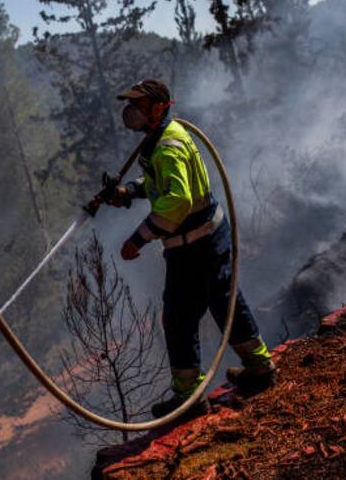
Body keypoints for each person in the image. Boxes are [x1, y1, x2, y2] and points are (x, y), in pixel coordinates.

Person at [109, 80, 275, 418]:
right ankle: (260, 366)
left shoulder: (167, 145)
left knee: (178, 318)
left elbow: (178, 200)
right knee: (225, 300)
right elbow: (161, 181)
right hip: (211, 238)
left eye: (138, 104)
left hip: (193, 247)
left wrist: (138, 239)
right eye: (130, 104)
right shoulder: (163, 139)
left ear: (158, 107)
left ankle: (189, 396)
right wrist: (129, 192)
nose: (131, 111)